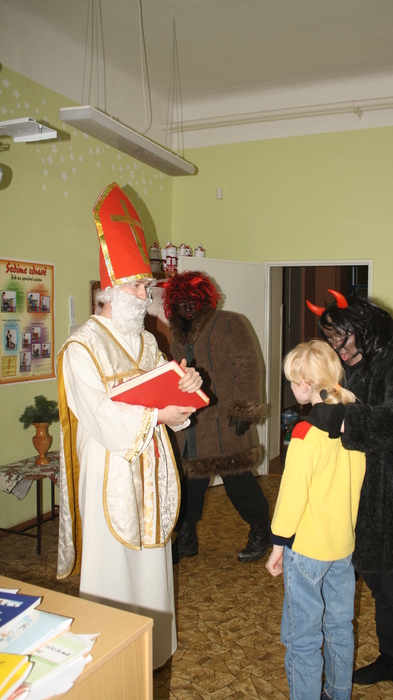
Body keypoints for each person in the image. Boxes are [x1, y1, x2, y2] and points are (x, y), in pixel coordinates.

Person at [56, 182, 202, 669]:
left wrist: (187, 387)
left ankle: (152, 650)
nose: (146, 295)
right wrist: (157, 416)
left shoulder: (145, 342)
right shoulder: (81, 348)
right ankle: (112, 662)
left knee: (151, 558)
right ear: (111, 293)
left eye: (144, 286)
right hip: (110, 467)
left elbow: (165, 391)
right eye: (138, 287)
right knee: (114, 565)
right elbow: (98, 415)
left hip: (151, 465)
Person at [307, 290, 393, 700]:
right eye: (330, 338)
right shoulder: (353, 366)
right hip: (366, 497)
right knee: (379, 587)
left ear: (365, 328)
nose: (337, 346)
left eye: (342, 336)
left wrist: (344, 420)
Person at [266, 340, 366, 700]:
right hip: (342, 546)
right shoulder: (356, 425)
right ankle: (338, 693)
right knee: (340, 627)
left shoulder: (306, 433)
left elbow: (291, 497)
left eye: (292, 381)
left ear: (304, 385)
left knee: (303, 637)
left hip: (307, 549)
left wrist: (278, 544)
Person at [161, 270, 270, 563]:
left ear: (204, 299)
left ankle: (262, 530)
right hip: (191, 423)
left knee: (239, 482)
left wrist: (244, 408)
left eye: (192, 300)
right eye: (181, 302)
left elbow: (248, 365)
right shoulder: (177, 333)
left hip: (226, 421)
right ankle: (187, 537)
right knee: (189, 485)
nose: (187, 306)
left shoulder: (230, 322)